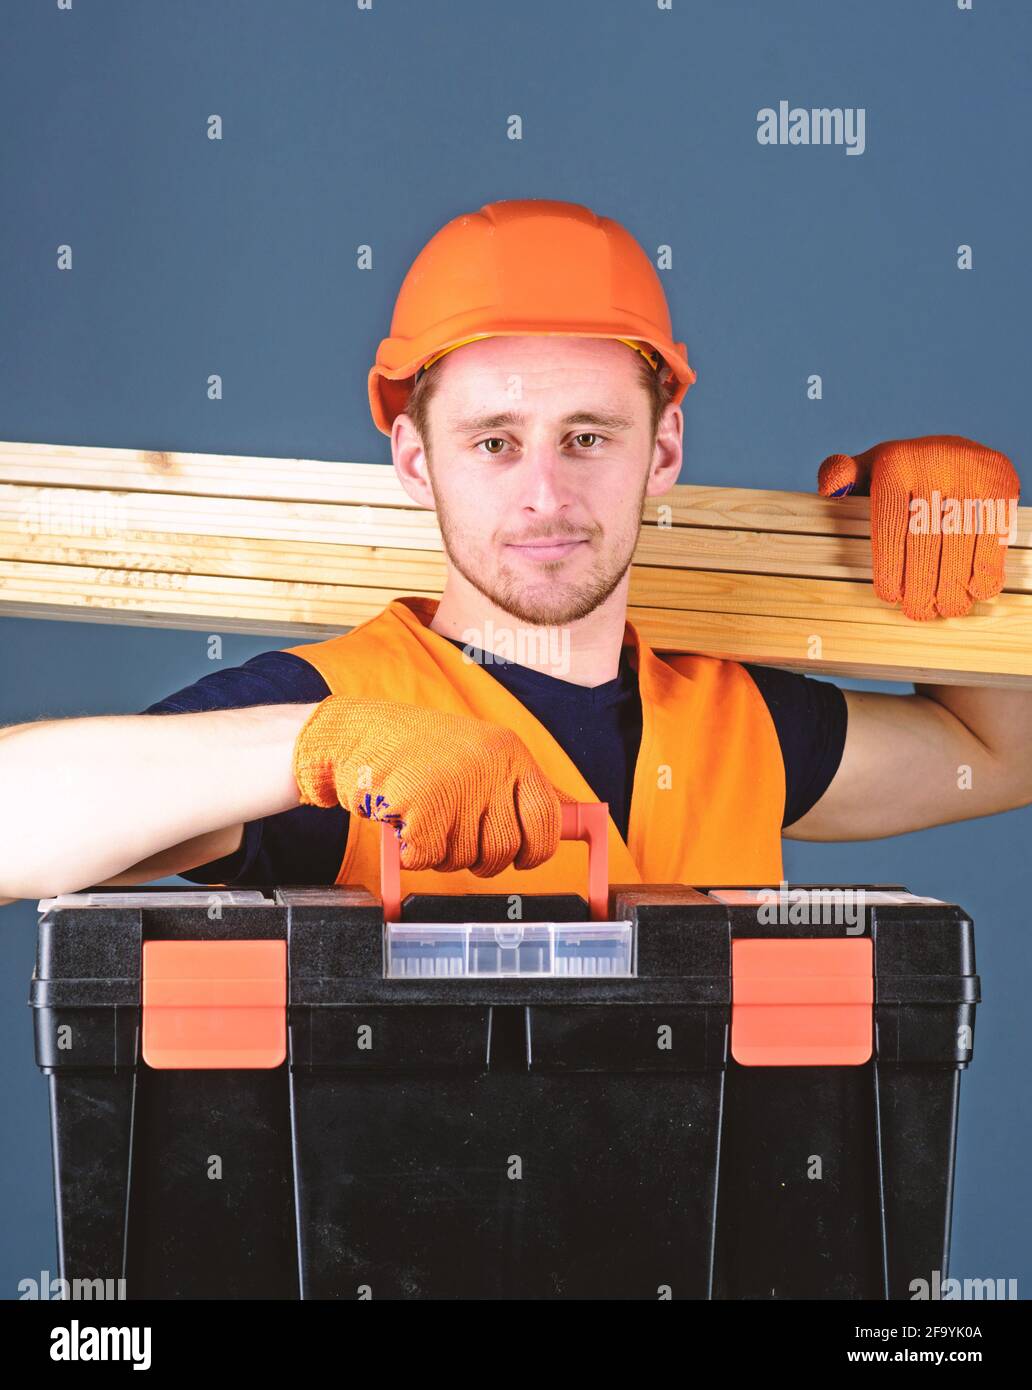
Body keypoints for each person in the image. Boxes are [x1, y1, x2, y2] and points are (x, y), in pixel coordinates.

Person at [1, 198, 1028, 903]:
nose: (545, 493)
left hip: (711, 1226)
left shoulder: (738, 724)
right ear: (414, 459)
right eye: (493, 442)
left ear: (663, 448)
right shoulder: (343, 714)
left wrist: (953, 566)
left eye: (589, 436)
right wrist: (317, 750)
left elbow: (1002, 757)